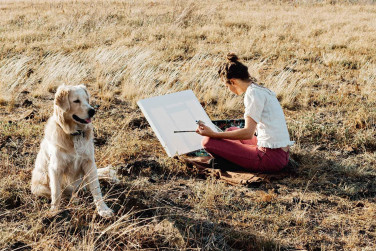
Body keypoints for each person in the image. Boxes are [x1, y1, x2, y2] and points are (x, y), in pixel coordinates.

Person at [195, 53, 294, 173]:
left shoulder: (252, 94)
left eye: (226, 86)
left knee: (207, 142)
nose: (228, 90)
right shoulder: (260, 89)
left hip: (270, 158)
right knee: (231, 130)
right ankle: (240, 157)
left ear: (233, 81)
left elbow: (248, 133)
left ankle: (234, 163)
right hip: (280, 152)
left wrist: (213, 134)